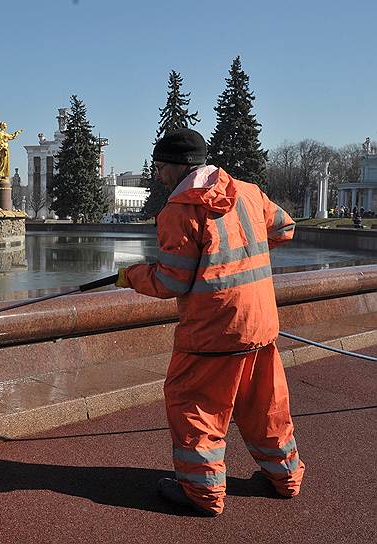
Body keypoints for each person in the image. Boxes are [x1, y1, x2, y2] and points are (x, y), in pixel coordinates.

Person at [115, 128, 304, 516]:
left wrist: (130, 276)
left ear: (179, 165)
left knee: (194, 406)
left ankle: (202, 493)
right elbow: (285, 228)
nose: (158, 175)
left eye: (160, 166)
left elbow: (171, 281)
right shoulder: (248, 192)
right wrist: (242, 251)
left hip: (211, 334)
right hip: (259, 325)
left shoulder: (179, 210)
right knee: (265, 405)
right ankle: (285, 477)